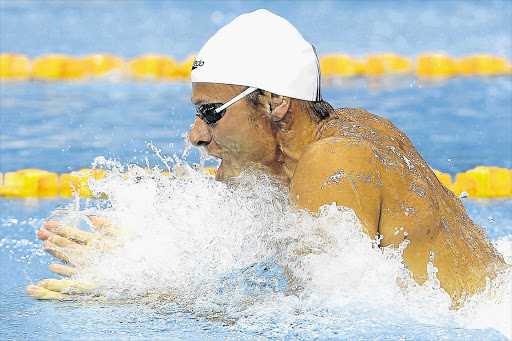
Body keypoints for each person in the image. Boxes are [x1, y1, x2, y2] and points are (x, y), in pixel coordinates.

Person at [26, 9, 506, 304]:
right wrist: (145, 251)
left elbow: (315, 316)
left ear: (276, 102)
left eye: (211, 112)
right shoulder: (326, 136)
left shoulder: (334, 163)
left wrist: (137, 294)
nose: (195, 135)